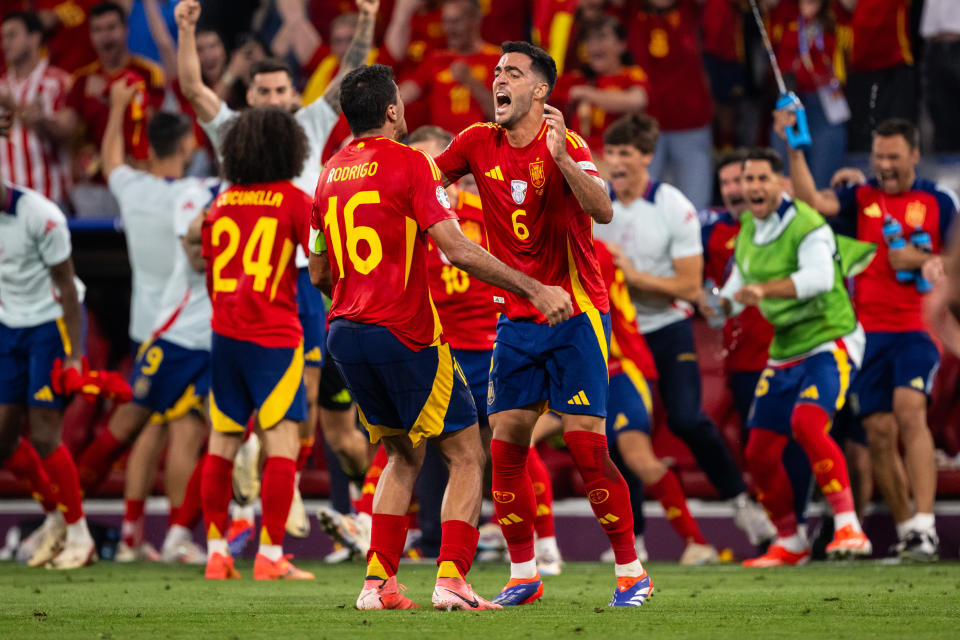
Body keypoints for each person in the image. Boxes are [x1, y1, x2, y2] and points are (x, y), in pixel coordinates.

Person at [434, 41, 652, 608]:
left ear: (540, 90)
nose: (499, 80)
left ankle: (632, 572)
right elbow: (427, 183)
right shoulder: (476, 142)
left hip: (576, 313)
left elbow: (603, 210)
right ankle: (524, 573)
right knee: (505, 446)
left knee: (586, 449)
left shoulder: (568, 144)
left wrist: (559, 159)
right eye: (497, 71)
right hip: (516, 318)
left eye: (513, 72)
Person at [176, 0, 376, 510]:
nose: (270, 98)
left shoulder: (310, 123)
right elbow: (194, 90)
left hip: (316, 279)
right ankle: (271, 512)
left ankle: (313, 499)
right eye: (262, 90)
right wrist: (187, 28)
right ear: (250, 95)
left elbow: (350, 77)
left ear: (293, 95)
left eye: (279, 90)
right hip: (260, 284)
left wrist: (369, 17)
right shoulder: (234, 132)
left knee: (325, 418)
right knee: (290, 403)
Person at [781, 114, 958, 561]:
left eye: (894, 156)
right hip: (867, 335)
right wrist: (795, 147)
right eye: (879, 156)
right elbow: (810, 200)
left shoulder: (939, 200)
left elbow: (952, 260)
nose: (885, 165)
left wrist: (925, 260)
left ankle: (925, 523)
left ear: (915, 155)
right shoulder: (862, 197)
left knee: (909, 409)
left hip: (918, 328)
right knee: (878, 433)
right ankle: (908, 533)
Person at [594, 113, 775, 548]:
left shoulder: (673, 206)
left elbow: (690, 286)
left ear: (648, 158)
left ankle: (740, 502)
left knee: (688, 418)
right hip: (614, 332)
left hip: (666, 326)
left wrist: (633, 277)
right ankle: (633, 538)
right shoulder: (597, 205)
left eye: (626, 153)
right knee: (620, 433)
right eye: (611, 152)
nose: (616, 162)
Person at [718, 147, 872, 566]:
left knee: (807, 423)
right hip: (785, 348)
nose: (752, 188)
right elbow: (735, 288)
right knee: (759, 451)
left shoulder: (807, 222)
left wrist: (763, 291)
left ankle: (849, 527)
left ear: (782, 184)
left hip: (830, 339)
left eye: (761, 179)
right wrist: (715, 304)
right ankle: (790, 539)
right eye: (747, 179)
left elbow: (820, 279)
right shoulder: (749, 227)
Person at [198, 106, 314, 581]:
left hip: (224, 335)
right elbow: (323, 258)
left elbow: (208, 273)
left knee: (221, 442)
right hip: (275, 336)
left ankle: (216, 551)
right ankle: (270, 555)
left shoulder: (220, 204)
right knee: (283, 445)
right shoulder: (293, 199)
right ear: (289, 148)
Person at [701, 149, 814, 534]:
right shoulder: (711, 232)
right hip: (744, 360)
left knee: (794, 439)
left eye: (746, 180)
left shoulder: (792, 225)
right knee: (759, 447)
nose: (738, 190)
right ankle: (783, 527)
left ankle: (799, 525)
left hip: (792, 351)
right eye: (730, 182)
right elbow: (691, 278)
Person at [597, 238, 718, 564]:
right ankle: (629, 544)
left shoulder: (595, 251)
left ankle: (697, 543)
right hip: (590, 373)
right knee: (603, 460)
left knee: (637, 457)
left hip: (622, 367)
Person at [0, 180, 95, 569]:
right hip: (8, 324)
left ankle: (79, 535)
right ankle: (56, 518)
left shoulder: (42, 215)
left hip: (49, 324)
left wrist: (75, 355)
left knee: (43, 432)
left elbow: (67, 287)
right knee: (2, 441)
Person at [62, 1, 166, 216]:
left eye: (111, 28)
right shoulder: (81, 80)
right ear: (90, 35)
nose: (105, 36)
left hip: (139, 177)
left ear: (125, 30)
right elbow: (67, 128)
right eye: (98, 30)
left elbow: (156, 126)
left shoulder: (149, 73)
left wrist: (112, 96)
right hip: (95, 184)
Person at [625, 0, 714, 211]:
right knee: (640, 206)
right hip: (643, 126)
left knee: (695, 207)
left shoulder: (691, 9)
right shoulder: (630, 10)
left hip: (691, 123)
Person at [396, 0, 502, 134]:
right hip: (441, 146)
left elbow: (503, 115)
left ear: (475, 20)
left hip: (481, 144)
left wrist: (471, 82)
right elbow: (406, 92)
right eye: (446, 21)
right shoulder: (436, 59)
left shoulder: (498, 59)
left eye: (456, 21)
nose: (449, 29)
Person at [0, 11, 73, 204]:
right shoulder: (2, 86)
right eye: (3, 37)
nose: (5, 43)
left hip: (50, 199)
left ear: (34, 39)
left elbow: (64, 135)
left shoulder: (59, 82)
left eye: (12, 35)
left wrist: (14, 107)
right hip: (8, 203)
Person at [551, 15, 649, 154]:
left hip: (620, 163)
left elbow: (637, 101)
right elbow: (539, 91)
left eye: (601, 37)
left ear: (621, 44)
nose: (594, 44)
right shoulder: (578, 78)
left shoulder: (631, 75)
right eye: (589, 39)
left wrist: (585, 93)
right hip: (582, 163)